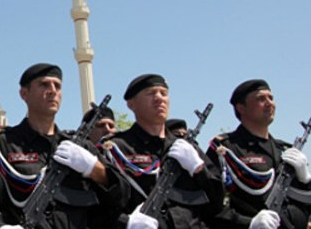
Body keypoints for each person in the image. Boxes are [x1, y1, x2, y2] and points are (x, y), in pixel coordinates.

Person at [0, 63, 126, 229]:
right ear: (24, 94)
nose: (53, 90)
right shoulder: (3, 144)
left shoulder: (81, 147)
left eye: (57, 86)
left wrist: (95, 169)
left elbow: (122, 196)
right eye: (44, 84)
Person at [101, 74, 223, 229]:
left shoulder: (188, 148)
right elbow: (98, 207)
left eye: (163, 93)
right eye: (151, 93)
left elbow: (217, 204)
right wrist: (125, 223)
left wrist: (199, 170)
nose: (159, 98)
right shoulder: (115, 148)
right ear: (131, 104)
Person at [207, 79, 311, 229]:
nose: (269, 103)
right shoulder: (225, 149)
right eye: (261, 99)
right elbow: (210, 206)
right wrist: (248, 224)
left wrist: (306, 180)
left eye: (271, 98)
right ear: (241, 108)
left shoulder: (285, 150)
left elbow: (304, 205)